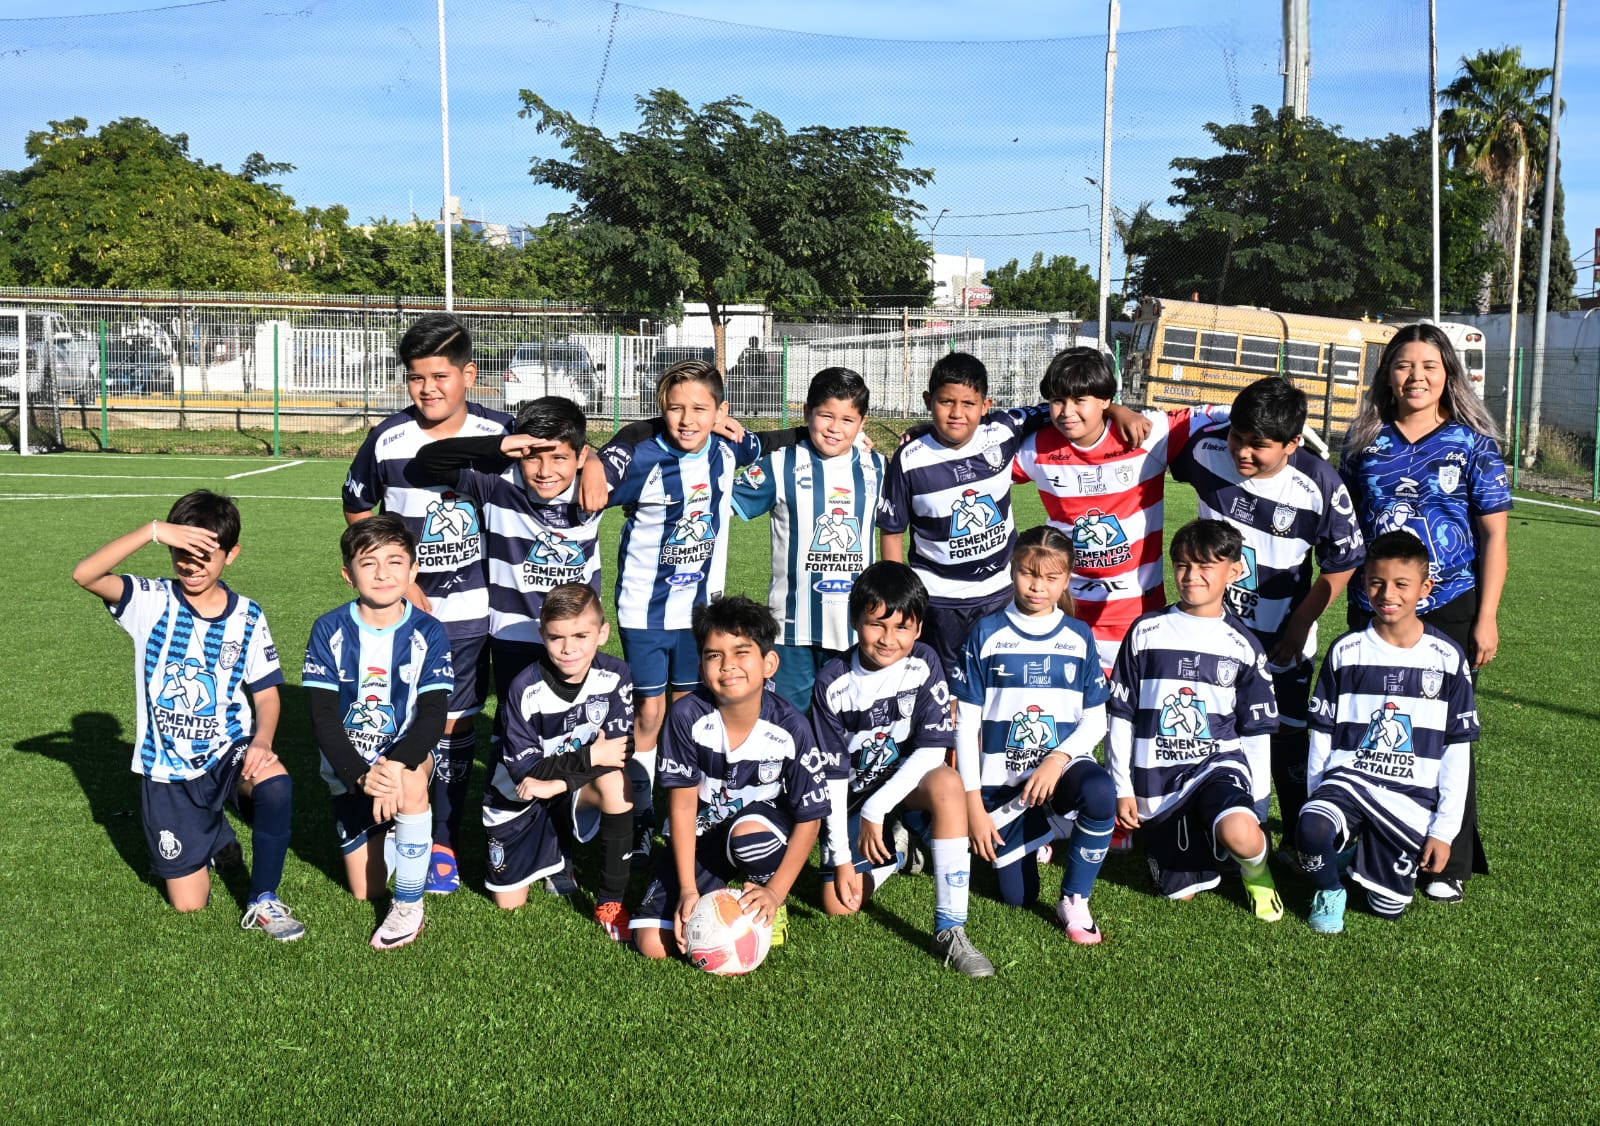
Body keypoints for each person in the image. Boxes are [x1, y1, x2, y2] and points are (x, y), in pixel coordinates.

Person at [71, 489, 303, 940]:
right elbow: (85, 574)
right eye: (182, 553)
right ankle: (215, 836)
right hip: (167, 769)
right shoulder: (151, 600)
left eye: (205, 555)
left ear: (231, 555)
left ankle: (263, 899)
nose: (192, 565)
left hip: (227, 750)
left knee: (274, 783)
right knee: (189, 905)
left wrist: (262, 741)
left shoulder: (248, 616)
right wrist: (154, 531)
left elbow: (267, 692)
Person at [1339, 324, 1510, 904]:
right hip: (1375, 605)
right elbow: (1345, 525)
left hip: (1450, 603)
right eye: (1404, 365)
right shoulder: (1364, 442)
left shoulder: (1473, 444)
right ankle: (1370, 844)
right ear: (1387, 374)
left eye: (1429, 366)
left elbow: (1494, 537)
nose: (1416, 377)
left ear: (1448, 374)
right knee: (1370, 725)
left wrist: (1486, 616)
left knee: (1446, 730)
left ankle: (1448, 860)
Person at [343, 312, 511, 895]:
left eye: (441, 376)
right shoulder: (388, 438)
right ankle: (396, 818)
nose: (428, 388)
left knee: (455, 723)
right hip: (403, 615)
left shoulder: (501, 431)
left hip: (471, 612)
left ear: (469, 374)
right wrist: (399, 581)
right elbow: (358, 506)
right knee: (397, 718)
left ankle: (442, 838)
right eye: (416, 377)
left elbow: (562, 455)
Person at [1170, 376, 1364, 847]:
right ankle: (1203, 834)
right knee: (1206, 732)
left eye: (1258, 445)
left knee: (1286, 742)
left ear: (1293, 443)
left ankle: (1300, 839)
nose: (1242, 452)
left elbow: (1342, 563)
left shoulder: (1319, 483)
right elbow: (1154, 434)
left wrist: (1299, 625)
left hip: (1282, 642)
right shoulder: (1204, 450)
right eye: (1237, 437)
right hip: (1211, 633)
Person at [585, 360, 763, 863]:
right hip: (643, 611)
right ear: (661, 410)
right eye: (675, 408)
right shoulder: (643, 458)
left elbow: (768, 443)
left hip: (699, 615)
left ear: (721, 412)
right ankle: (641, 811)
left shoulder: (728, 450)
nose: (687, 419)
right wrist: (596, 460)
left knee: (689, 712)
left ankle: (687, 807)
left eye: (700, 409)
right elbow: (596, 484)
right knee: (649, 711)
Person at [811, 561, 992, 977]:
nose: (888, 639)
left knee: (947, 782)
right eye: (876, 625)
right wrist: (842, 858)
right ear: (855, 621)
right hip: (852, 795)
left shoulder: (924, 662)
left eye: (901, 628)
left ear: (919, 628)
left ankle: (950, 928)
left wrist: (877, 808)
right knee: (840, 904)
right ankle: (898, 853)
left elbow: (932, 751)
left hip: (904, 784)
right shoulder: (833, 683)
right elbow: (833, 780)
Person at [631, 596, 830, 960]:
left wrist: (777, 892)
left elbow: (810, 818)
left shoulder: (791, 727)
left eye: (741, 652)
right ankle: (714, 888)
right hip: (702, 835)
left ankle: (765, 898)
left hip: (758, 830)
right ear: (701, 666)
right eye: (714, 655)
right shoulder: (686, 716)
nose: (728, 666)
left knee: (750, 838)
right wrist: (688, 890)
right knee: (652, 945)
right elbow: (683, 805)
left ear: (769, 663)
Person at [1298, 531, 1476, 933]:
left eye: (1401, 584)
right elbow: (1322, 733)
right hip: (1349, 781)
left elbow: (1456, 749)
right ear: (1364, 583)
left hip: (1409, 795)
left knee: (1386, 908)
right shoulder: (1347, 651)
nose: (1387, 594)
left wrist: (1444, 832)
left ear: (1425, 588)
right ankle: (1330, 888)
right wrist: (1315, 796)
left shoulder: (1447, 658)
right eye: (1377, 582)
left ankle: (1358, 856)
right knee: (1312, 827)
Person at [1011, 346, 1228, 674]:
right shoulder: (1036, 449)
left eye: (1079, 400)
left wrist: (1298, 434)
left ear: (1104, 399)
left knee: (1134, 703)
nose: (1067, 411)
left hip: (1137, 614)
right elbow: (982, 459)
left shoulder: (1146, 435)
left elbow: (1219, 413)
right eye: (1058, 400)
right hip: (1065, 610)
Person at [1106, 519, 1283, 920]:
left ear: (1233, 572)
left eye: (1206, 566)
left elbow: (1255, 734)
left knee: (1243, 834)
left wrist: (1258, 808)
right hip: (1158, 778)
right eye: (1183, 565)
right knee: (1180, 893)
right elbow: (1121, 714)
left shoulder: (1242, 645)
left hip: (1216, 765)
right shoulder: (1146, 631)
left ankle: (1256, 871)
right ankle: (1210, 840)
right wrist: (1123, 787)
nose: (1191, 576)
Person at [951, 526, 1115, 945]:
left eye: (1051, 577)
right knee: (1018, 897)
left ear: (1067, 579)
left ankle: (1075, 898)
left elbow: (1096, 721)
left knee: (1099, 792)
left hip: (1059, 772)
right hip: (1003, 788)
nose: (1037, 586)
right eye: (1028, 573)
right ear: (1012, 569)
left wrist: (1057, 759)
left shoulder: (1078, 636)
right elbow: (965, 726)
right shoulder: (986, 633)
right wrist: (973, 806)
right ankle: (1045, 831)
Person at [303, 516, 453, 950]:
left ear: (413, 570)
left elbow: (433, 714)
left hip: (405, 759)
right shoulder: (329, 629)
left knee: (410, 784)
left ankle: (408, 906)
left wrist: (392, 767)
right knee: (365, 889)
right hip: (350, 768)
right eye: (369, 563)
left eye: (395, 562)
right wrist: (360, 774)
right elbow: (322, 716)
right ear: (348, 574)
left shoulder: (428, 631)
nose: (383, 573)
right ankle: (396, 830)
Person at [412, 396, 603, 723]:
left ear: (580, 456)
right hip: (513, 635)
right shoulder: (498, 485)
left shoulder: (595, 487)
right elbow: (428, 460)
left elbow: (635, 442)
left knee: (571, 723)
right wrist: (500, 445)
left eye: (559, 458)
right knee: (514, 722)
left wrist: (596, 463)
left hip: (576, 633)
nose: (545, 471)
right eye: (533, 457)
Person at [877, 352, 1050, 674]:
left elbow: (1057, 409)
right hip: (939, 600)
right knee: (943, 685)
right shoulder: (909, 459)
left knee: (1000, 680)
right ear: (928, 401)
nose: (957, 413)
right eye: (946, 402)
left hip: (1001, 591)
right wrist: (898, 595)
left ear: (986, 405)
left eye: (968, 403)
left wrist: (1117, 410)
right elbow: (892, 530)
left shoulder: (1004, 430)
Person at [482, 583, 636, 941]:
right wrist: (590, 756)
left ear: (602, 633)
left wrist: (561, 783)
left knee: (616, 783)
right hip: (516, 800)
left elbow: (618, 752)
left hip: (565, 787)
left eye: (581, 635)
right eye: (556, 637)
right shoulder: (524, 688)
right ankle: (555, 852)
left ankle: (610, 902)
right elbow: (527, 773)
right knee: (508, 903)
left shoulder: (616, 675)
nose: (569, 648)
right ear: (542, 636)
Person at [732, 367, 886, 711]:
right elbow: (718, 505)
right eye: (826, 416)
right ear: (806, 413)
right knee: (787, 722)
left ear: (862, 423)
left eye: (847, 420)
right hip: (791, 630)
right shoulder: (779, 465)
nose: (835, 428)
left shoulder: (879, 468)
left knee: (849, 724)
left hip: (856, 629)